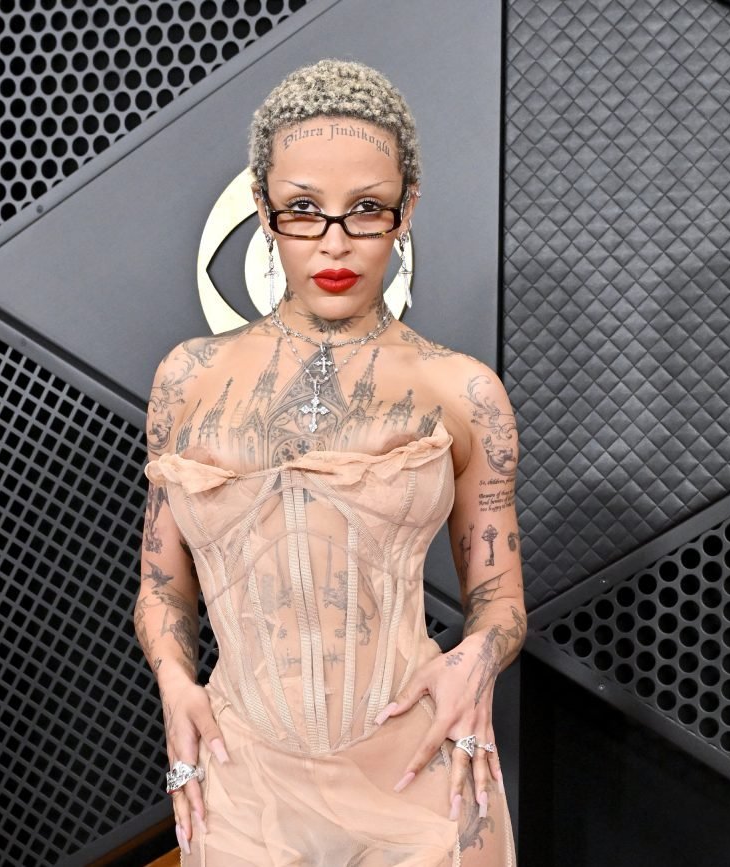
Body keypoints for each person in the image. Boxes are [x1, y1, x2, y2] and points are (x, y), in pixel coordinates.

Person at [136, 59, 524, 865]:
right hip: (240, 778)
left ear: (405, 210)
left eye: (366, 209)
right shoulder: (186, 379)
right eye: (305, 210)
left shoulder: (462, 390)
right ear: (263, 210)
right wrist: (175, 686)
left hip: (421, 774)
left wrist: (476, 660)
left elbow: (500, 600)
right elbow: (162, 588)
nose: (335, 242)